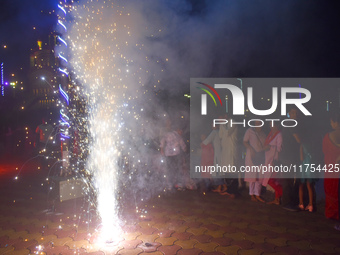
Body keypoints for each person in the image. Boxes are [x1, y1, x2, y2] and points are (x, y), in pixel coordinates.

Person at [279, 107, 302, 211]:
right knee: (288, 180)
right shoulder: (291, 124)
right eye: (293, 113)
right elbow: (298, 140)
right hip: (289, 156)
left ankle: (289, 202)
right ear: (289, 114)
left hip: (287, 156)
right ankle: (287, 203)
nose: (295, 115)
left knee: (289, 179)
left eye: (296, 113)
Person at [322, 111, 340, 229]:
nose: (331, 123)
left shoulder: (328, 136)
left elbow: (324, 151)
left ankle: (333, 214)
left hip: (331, 167)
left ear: (335, 122)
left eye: (332, 121)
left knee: (331, 191)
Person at [243, 120, 266, 202]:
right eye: (256, 123)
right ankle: (252, 194)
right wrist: (251, 149)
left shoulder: (263, 134)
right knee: (252, 176)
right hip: (251, 156)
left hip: (260, 156)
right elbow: (245, 142)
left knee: (259, 176)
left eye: (259, 123)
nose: (258, 125)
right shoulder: (250, 131)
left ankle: (257, 194)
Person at [160, 124, 187, 190]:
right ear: (178, 130)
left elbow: (162, 141)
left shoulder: (170, 134)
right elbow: (182, 144)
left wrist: (162, 149)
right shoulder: (176, 135)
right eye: (181, 131)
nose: (181, 133)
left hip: (170, 155)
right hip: (174, 155)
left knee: (171, 169)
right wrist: (185, 149)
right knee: (176, 169)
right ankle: (177, 184)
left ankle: (171, 184)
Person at [263, 121, 283, 205]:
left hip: (274, 160)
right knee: (274, 181)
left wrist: (270, 147)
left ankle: (282, 192)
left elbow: (279, 149)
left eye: (272, 124)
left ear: (277, 125)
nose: (271, 126)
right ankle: (277, 199)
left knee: (270, 180)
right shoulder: (270, 134)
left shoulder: (279, 135)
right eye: (270, 124)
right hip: (268, 159)